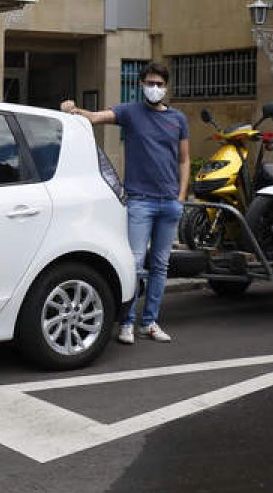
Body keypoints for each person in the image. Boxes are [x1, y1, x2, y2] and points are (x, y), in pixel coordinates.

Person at [60, 62, 189, 345]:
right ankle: (127, 322)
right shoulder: (130, 112)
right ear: (141, 84)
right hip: (141, 201)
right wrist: (73, 109)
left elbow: (184, 159)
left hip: (169, 203)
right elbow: (95, 117)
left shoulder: (178, 119)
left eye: (159, 84)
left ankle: (150, 322)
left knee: (160, 265)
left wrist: (180, 197)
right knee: (133, 263)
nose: (154, 88)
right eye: (150, 83)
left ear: (166, 87)